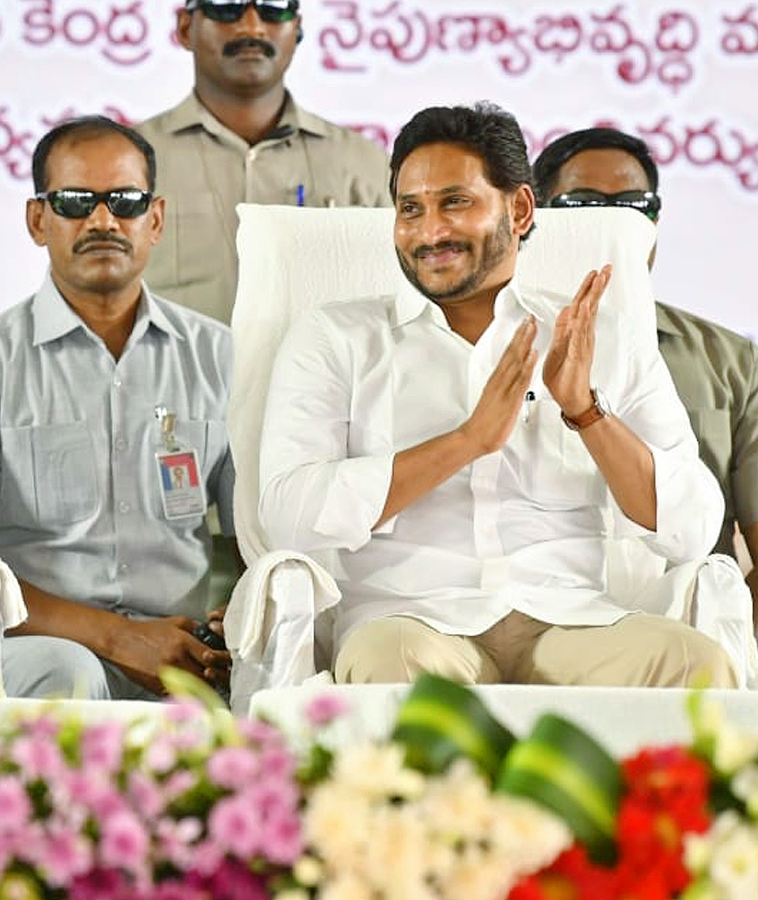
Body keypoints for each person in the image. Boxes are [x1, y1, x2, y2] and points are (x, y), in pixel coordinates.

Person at [259, 102, 737, 688]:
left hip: (571, 620)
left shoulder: (599, 337)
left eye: (454, 203)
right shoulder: (338, 338)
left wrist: (585, 412)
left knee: (699, 666)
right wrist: (466, 442)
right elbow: (288, 513)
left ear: (519, 208)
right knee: (392, 667)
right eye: (411, 209)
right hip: (413, 623)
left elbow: (693, 526)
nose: (430, 232)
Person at [0, 116, 234, 699]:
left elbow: (263, 533)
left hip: (185, 647)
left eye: (125, 201)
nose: (103, 221)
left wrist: (232, 623)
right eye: (75, 202)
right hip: (41, 645)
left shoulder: (219, 356)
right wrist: (119, 638)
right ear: (38, 220)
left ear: (156, 220)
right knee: (68, 671)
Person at [532, 127, 758, 617]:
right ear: (536, 217)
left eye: (637, 206)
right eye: (585, 206)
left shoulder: (732, 362)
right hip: (535, 616)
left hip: (688, 626)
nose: (618, 225)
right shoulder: (495, 345)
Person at [133, 0, 390, 324]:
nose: (252, 26)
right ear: (186, 28)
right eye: (227, 7)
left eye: (273, 8)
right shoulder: (129, 161)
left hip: (321, 374)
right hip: (171, 375)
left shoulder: (363, 163)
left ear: (296, 29)